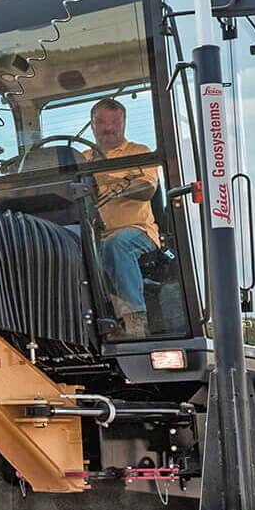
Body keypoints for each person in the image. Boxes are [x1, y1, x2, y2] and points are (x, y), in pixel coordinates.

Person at [83, 97, 160, 339]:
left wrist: (116, 185)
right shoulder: (82, 158)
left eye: (114, 122)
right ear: (92, 125)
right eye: (101, 122)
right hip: (92, 234)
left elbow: (148, 188)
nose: (108, 128)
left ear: (123, 123)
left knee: (116, 245)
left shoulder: (138, 152)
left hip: (138, 231)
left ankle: (134, 320)